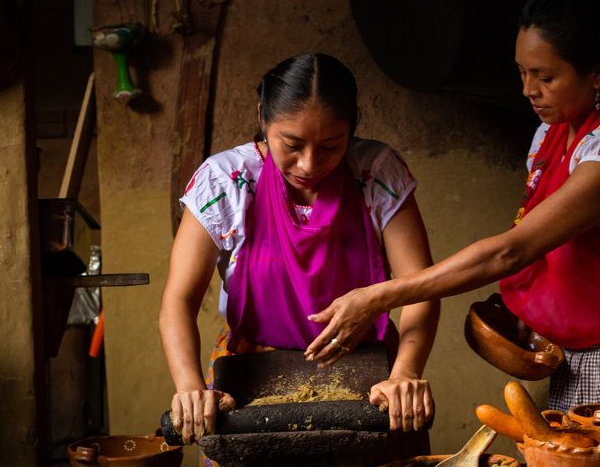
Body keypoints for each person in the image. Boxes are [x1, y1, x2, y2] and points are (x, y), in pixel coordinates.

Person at [305, 0, 600, 418]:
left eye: (546, 76)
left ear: (597, 72)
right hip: (579, 362)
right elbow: (564, 255)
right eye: (522, 72)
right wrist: (537, 309)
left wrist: (378, 295)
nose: (528, 89)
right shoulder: (550, 136)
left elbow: (513, 250)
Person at [159, 52, 440, 444]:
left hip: (371, 376)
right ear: (263, 117)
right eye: (291, 144)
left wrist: (405, 373)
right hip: (250, 375)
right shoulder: (224, 181)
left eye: (331, 146)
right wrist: (190, 387)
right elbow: (178, 299)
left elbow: (420, 287)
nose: (309, 164)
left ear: (351, 127)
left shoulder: (376, 172)